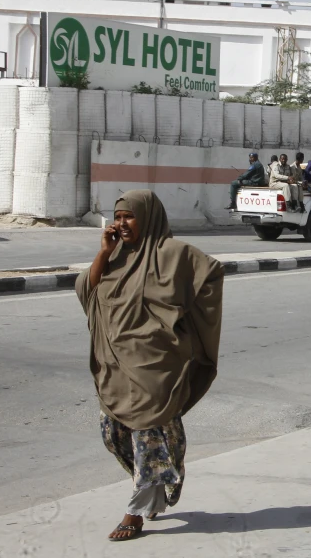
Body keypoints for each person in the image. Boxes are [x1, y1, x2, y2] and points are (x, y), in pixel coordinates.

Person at [76, 190, 224, 541]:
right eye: (119, 216)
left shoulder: (172, 253)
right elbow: (87, 292)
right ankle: (156, 485)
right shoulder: (116, 257)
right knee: (114, 435)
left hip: (154, 369)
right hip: (114, 366)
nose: (122, 223)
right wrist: (103, 252)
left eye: (130, 216)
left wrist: (174, 323)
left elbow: (211, 275)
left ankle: (135, 513)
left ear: (148, 217)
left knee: (149, 439)